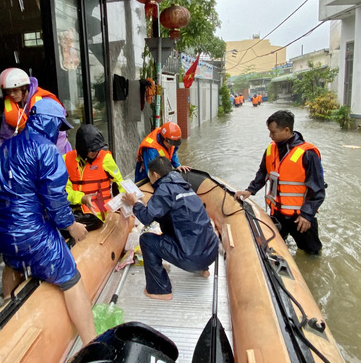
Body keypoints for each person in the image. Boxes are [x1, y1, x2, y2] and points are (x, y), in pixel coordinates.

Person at [0, 98, 96, 344]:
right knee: (70, 278)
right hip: (29, 234)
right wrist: (71, 226)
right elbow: (55, 198)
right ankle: (92, 343)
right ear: (49, 122)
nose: (59, 132)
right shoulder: (46, 150)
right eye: (58, 126)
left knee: (12, 263)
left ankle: (8, 312)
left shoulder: (5, 147)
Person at [123, 157, 219, 300]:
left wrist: (135, 203)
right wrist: (144, 205)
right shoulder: (185, 186)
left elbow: (146, 218)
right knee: (193, 227)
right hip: (211, 253)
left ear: (154, 174)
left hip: (192, 258)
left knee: (146, 239)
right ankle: (204, 270)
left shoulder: (164, 189)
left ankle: (160, 290)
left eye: (150, 174)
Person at [234, 110, 325, 254]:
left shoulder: (307, 154)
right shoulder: (271, 149)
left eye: (273, 132)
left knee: (311, 254)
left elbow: (318, 190)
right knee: (272, 250)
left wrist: (307, 215)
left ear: (287, 130)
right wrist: (250, 190)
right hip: (277, 215)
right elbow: (263, 173)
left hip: (300, 218)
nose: (270, 135)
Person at [0, 68, 71, 155]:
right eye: (8, 91)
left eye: (15, 90)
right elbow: (5, 137)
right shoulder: (10, 107)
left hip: (56, 151)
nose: (12, 94)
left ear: (24, 88)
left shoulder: (45, 102)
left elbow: (59, 134)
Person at [64, 124, 124, 229]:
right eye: (92, 150)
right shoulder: (66, 160)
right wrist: (81, 198)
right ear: (82, 148)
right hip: (74, 213)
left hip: (98, 216)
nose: (95, 152)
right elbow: (63, 191)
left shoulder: (106, 159)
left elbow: (120, 182)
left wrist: (125, 203)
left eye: (98, 149)